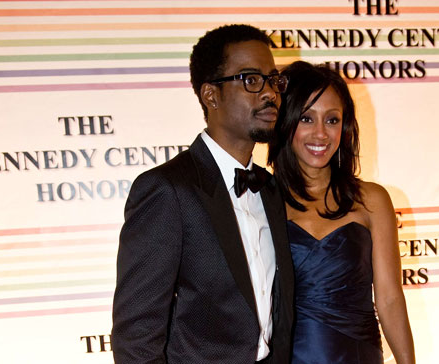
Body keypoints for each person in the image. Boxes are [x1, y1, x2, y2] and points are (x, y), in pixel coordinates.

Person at [111, 24, 294, 364]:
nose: (270, 93)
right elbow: (136, 339)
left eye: (273, 80)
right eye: (251, 80)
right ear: (211, 95)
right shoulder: (167, 191)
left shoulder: (268, 190)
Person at [268, 61, 415, 364]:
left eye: (332, 120)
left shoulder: (372, 200)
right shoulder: (263, 202)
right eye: (307, 119)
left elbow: (389, 299)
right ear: (286, 121)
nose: (321, 134)